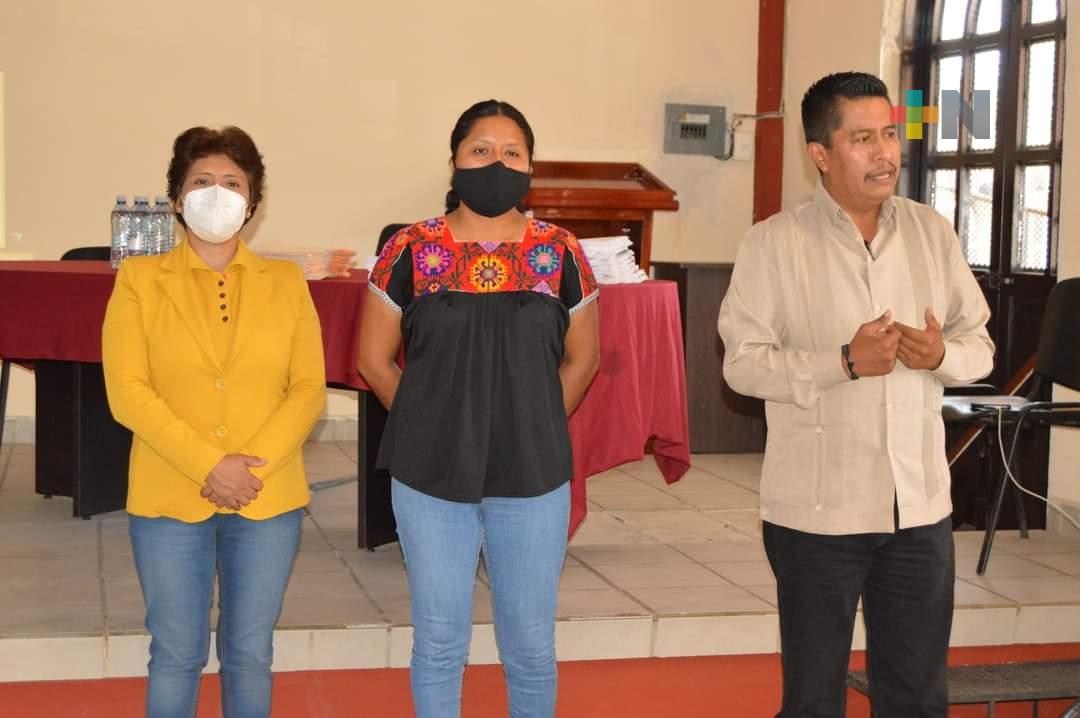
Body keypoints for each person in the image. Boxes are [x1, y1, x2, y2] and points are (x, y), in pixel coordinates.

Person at [717, 72, 994, 717]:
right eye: (862, 138)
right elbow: (743, 367)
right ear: (820, 154)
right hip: (819, 514)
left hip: (919, 508)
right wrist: (842, 361)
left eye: (889, 135)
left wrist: (940, 355)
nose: (884, 153)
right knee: (814, 701)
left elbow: (978, 345)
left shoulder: (932, 232)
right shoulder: (773, 243)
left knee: (917, 698)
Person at [358, 99, 600, 718]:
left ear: (531, 166)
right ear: (454, 162)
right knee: (440, 642)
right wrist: (428, 424)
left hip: (533, 475)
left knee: (530, 646)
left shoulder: (560, 251)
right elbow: (373, 360)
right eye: (481, 150)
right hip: (430, 474)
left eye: (512, 152)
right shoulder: (410, 249)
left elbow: (583, 360)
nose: (497, 162)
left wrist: (533, 423)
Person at [102, 126, 326, 718]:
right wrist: (211, 465)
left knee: (250, 653)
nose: (217, 194)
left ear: (252, 204)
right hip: (169, 492)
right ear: (177, 199)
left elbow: (308, 389)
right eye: (201, 182)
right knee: (175, 654)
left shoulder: (286, 283)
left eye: (233, 183)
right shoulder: (138, 281)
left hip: (266, 494)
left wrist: (249, 470)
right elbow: (127, 392)